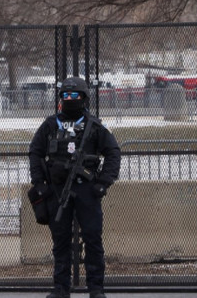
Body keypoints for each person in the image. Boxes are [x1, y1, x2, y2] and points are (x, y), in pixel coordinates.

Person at [29, 77, 121, 298]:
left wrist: (102, 183)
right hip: (58, 191)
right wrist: (40, 182)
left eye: (74, 96)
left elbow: (113, 153)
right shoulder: (50, 125)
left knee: (92, 238)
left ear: (84, 98)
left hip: (87, 190)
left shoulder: (95, 126)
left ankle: (96, 288)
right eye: (65, 96)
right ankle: (61, 288)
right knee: (60, 241)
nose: (69, 100)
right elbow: (35, 151)